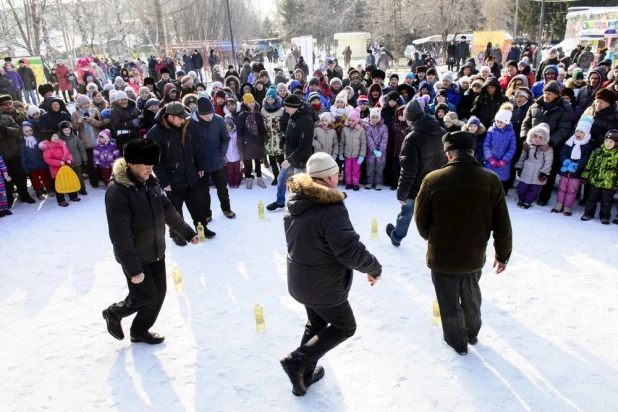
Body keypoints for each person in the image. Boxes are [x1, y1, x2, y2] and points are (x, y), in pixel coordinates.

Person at [279, 152, 382, 396]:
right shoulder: (330, 208)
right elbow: (350, 251)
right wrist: (374, 268)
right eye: (337, 172)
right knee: (345, 327)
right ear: (327, 178)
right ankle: (296, 361)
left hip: (301, 279)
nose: (339, 176)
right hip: (322, 285)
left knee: (316, 322)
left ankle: (302, 378)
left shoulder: (297, 198)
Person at [414, 131, 512, 355]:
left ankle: (458, 342)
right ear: (472, 152)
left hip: (442, 256)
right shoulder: (491, 179)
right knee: (471, 295)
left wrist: (435, 239)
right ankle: (472, 333)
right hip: (474, 254)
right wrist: (503, 253)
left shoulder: (433, 179)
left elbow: (421, 221)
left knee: (448, 301)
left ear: (448, 154)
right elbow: (502, 223)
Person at [102, 139, 199, 344]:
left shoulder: (150, 182)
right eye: (146, 166)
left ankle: (139, 331)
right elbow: (120, 235)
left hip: (155, 249)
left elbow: (167, 210)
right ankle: (113, 313)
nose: (150, 169)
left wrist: (187, 233)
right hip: (136, 255)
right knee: (144, 296)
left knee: (158, 294)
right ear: (131, 164)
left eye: (152, 165)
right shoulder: (118, 191)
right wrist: (133, 269)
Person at [386, 96, 447, 247]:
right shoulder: (441, 131)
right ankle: (436, 240)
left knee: (406, 213)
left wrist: (402, 193)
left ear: (410, 119)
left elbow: (408, 169)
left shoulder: (412, 138)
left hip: (415, 186)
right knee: (434, 214)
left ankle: (397, 236)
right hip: (436, 183)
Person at [520, 81, 573, 206]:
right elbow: (526, 124)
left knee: (548, 171)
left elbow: (563, 129)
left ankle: (544, 196)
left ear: (556, 95)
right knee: (529, 170)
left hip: (551, 147)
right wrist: (524, 138)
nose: (546, 96)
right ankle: (526, 195)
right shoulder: (535, 106)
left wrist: (550, 142)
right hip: (532, 145)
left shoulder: (565, 108)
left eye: (549, 93)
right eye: (544, 93)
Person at [188, 96, 235, 223]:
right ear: (198, 113)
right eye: (206, 115)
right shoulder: (190, 123)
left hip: (217, 161)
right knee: (203, 191)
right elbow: (188, 144)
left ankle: (226, 208)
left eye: (210, 113)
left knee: (222, 188)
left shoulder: (219, 120)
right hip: (200, 164)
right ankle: (206, 213)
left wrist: (221, 154)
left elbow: (225, 138)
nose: (209, 117)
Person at [267, 95, 314, 211]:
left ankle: (301, 207)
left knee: (299, 186)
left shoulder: (306, 120)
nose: (285, 110)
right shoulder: (292, 115)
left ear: (295, 107)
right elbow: (293, 133)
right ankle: (280, 201)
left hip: (300, 160)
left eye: (287, 107)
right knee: (281, 179)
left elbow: (305, 145)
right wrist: (285, 138)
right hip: (290, 156)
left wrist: (290, 160)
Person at [552, 118, 593, 216]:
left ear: (586, 134)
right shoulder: (569, 142)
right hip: (565, 170)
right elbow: (563, 152)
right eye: (577, 131)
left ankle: (567, 207)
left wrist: (577, 164)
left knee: (572, 190)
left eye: (582, 132)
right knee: (562, 187)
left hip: (576, 172)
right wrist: (565, 161)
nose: (578, 134)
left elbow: (586, 157)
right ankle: (559, 204)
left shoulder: (587, 146)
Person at [581, 130, 618, 224]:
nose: (608, 143)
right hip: (594, 180)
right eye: (606, 141)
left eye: (611, 142)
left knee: (606, 201)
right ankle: (588, 213)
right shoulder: (597, 151)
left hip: (609, 183)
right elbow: (589, 164)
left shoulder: (616, 155)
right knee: (591, 198)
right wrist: (585, 176)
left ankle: (605, 216)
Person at [514, 123, 553, 209]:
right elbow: (523, 156)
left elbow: (548, 161)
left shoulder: (546, 149)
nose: (537, 139)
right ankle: (521, 199)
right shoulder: (528, 145)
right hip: (527, 170)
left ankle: (528, 201)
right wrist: (519, 167)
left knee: (533, 189)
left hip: (538, 173)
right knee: (521, 187)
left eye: (540, 137)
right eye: (536, 136)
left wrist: (544, 172)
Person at [39, 130, 79, 206]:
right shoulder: (48, 148)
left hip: (66, 168)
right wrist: (58, 163)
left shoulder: (62, 144)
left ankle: (73, 196)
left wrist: (69, 160)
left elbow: (68, 153)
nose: (56, 137)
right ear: (49, 138)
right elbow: (47, 159)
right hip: (56, 170)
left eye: (56, 135)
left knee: (69, 182)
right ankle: (61, 200)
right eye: (53, 136)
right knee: (59, 185)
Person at [483, 104, 516, 193]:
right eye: (497, 121)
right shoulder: (491, 130)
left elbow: (512, 147)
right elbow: (486, 145)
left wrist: (505, 160)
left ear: (506, 122)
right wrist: (490, 158)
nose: (498, 124)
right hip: (491, 161)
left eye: (501, 122)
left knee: (500, 181)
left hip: (503, 162)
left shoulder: (511, 132)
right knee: (489, 179)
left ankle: (498, 195)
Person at [364, 107, 388, 190]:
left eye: (376, 117)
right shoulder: (368, 126)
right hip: (371, 152)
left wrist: (381, 150)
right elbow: (368, 138)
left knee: (379, 168)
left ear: (380, 117)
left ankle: (378, 183)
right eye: (373, 117)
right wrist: (373, 149)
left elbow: (385, 138)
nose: (374, 119)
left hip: (381, 153)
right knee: (370, 168)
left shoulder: (384, 127)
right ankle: (369, 182)